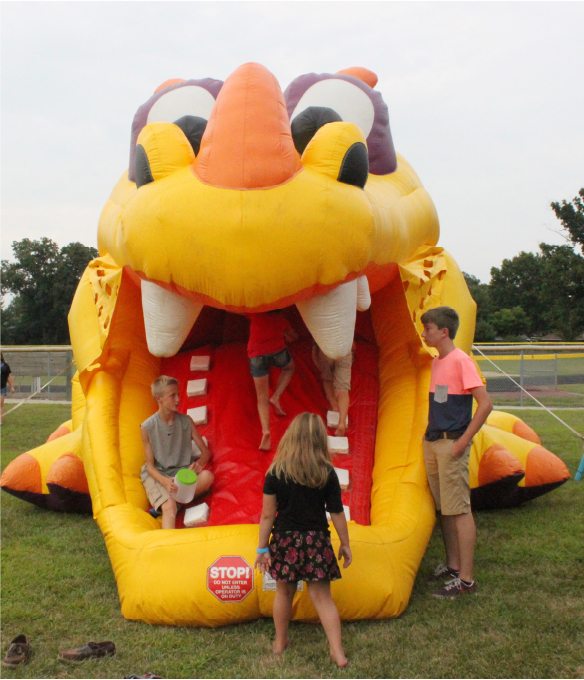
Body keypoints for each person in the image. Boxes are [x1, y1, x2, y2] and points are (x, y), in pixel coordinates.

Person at [255, 413, 352, 667]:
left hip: (285, 541)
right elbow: (337, 512)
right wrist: (345, 543)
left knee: (283, 594)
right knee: (323, 598)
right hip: (316, 541)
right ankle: (337, 651)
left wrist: (262, 547)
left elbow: (267, 515)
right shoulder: (326, 472)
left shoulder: (275, 472)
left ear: (291, 437)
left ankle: (280, 642)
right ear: (320, 440)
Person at [421, 307, 492, 599]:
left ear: (443, 332)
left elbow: (485, 404)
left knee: (460, 510)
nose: (424, 333)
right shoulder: (437, 361)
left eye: (428, 328)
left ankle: (466, 581)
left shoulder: (462, 361)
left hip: (452, 443)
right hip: (435, 441)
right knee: (445, 509)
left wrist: (462, 442)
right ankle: (453, 567)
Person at [140, 375, 214, 529]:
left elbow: (205, 453)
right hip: (159, 475)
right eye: (172, 396)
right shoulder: (147, 427)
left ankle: (163, 504)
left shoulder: (186, 421)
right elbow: (150, 468)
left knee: (208, 477)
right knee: (170, 507)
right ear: (158, 398)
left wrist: (199, 464)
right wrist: (165, 482)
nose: (178, 399)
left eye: (178, 394)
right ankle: (169, 545)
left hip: (181, 476)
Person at [247, 311, 297, 451]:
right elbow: (294, 337)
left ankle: (266, 431)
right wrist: (285, 333)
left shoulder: (254, 314)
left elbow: (236, 307)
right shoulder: (281, 319)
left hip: (256, 354)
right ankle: (276, 396)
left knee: (261, 398)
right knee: (289, 368)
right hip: (277, 351)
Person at [312, 343, 354, 436]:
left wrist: (317, 362)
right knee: (343, 389)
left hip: (326, 350)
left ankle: (334, 406)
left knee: (327, 379)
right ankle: (342, 422)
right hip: (344, 351)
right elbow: (353, 344)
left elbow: (315, 346)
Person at [1, 354, 15, 425]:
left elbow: (9, 377)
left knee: (0, 404)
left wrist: (12, 387)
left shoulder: (5, 366)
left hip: (2, 387)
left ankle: (0, 421)